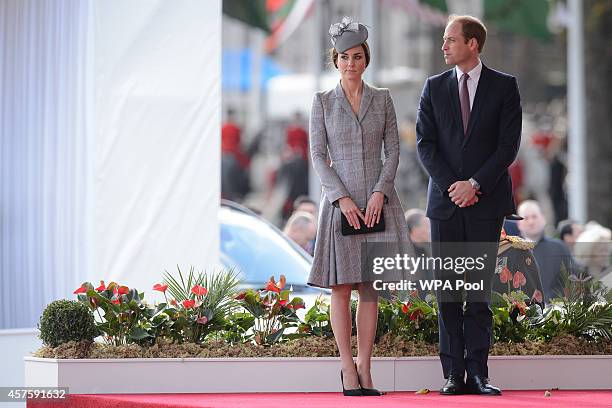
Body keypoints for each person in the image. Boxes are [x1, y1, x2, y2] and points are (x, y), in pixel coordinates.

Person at [416, 15, 522, 396]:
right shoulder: (433, 87)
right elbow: (425, 145)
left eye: (450, 39)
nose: (443, 46)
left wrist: (475, 184)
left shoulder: (504, 87)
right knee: (447, 290)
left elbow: (508, 146)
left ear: (472, 44)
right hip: (445, 205)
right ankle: (452, 374)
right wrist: (453, 187)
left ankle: (479, 372)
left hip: (485, 202)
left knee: (478, 290)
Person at [307, 17, 409, 397]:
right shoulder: (322, 102)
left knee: (370, 287)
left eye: (358, 56)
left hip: (379, 202)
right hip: (340, 204)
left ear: (367, 59)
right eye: (345, 57)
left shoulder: (383, 98)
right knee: (341, 287)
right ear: (335, 61)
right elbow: (317, 156)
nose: (352, 63)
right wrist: (342, 198)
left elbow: (394, 150)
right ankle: (347, 368)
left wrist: (381, 192)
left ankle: (367, 368)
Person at [517, 200, 574, 301]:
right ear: (519, 224)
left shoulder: (559, 248)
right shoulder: (510, 250)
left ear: (543, 219)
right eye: (526, 218)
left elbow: (571, 279)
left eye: (534, 216)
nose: (531, 222)